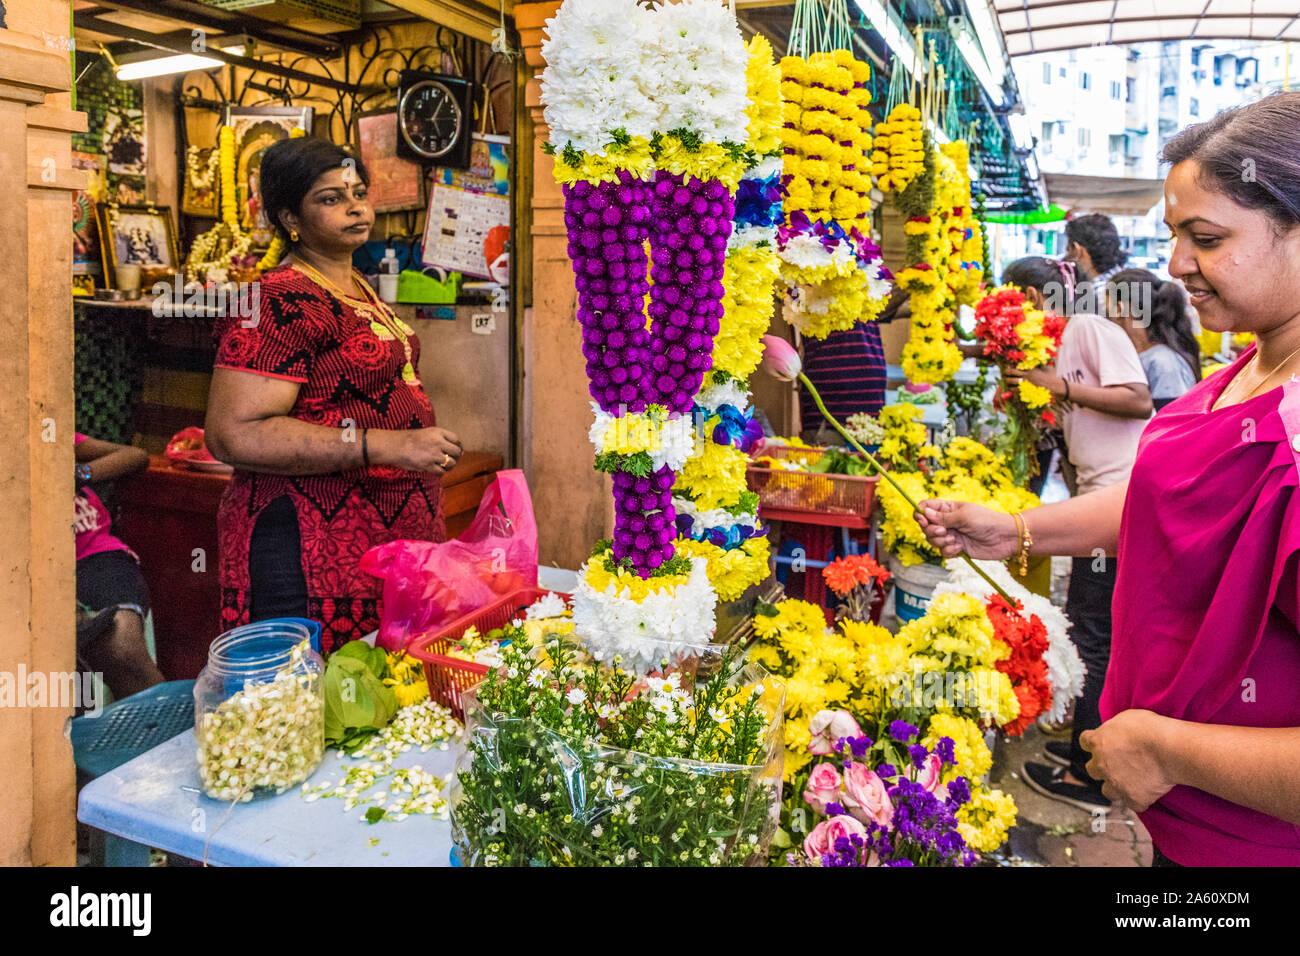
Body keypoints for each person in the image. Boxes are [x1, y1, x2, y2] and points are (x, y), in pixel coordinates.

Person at [916, 92, 1300, 866]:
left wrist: (1170, 751)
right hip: (1182, 827)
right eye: (1174, 236)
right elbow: (1169, 502)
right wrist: (1018, 529)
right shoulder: (1251, 367)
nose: (1177, 265)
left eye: (1207, 237)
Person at [205, 137, 463, 652]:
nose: (354, 207)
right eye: (330, 198)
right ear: (289, 217)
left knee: (375, 706)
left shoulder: (358, 286)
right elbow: (233, 434)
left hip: (379, 544)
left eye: (358, 193)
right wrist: (389, 446)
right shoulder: (276, 297)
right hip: (306, 553)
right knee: (307, 709)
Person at [74, 434, 165, 699]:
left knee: (120, 646)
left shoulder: (46, 428)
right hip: (28, 569)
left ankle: (167, 734)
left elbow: (135, 456)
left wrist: (80, 473)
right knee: (61, 668)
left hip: (96, 555)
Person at [1106, 268, 1200, 410]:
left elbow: (1171, 422)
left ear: (1120, 309)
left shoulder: (1163, 362)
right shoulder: (1142, 354)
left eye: (1107, 310)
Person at [1065, 213, 1127, 315]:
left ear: (1077, 250)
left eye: (1068, 250)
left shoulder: (1098, 297)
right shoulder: (1126, 280)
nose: (1067, 257)